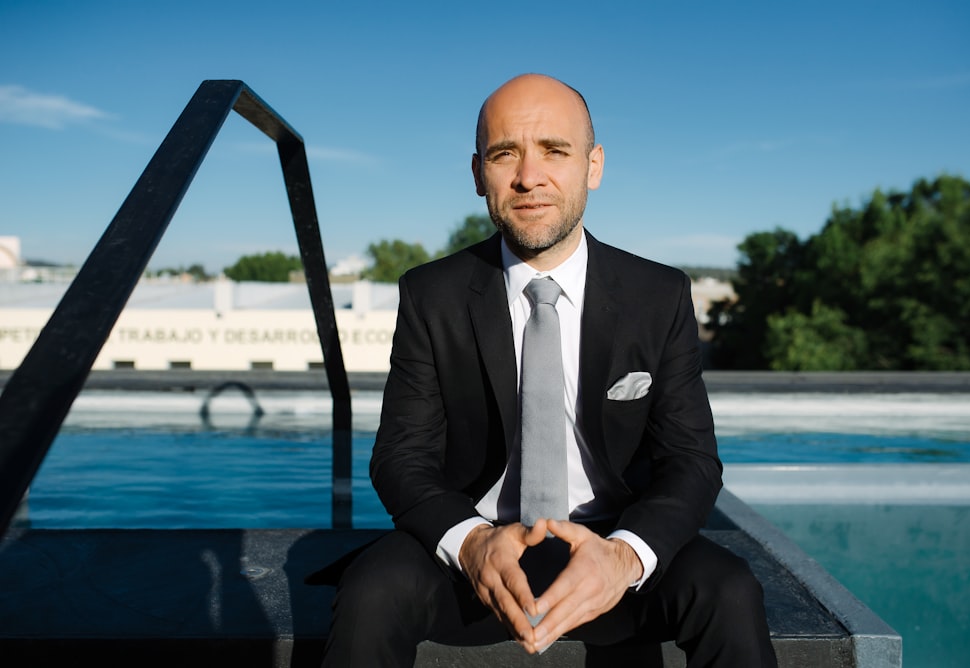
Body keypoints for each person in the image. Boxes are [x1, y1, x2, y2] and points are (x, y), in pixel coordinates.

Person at [318, 73, 777, 667]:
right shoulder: (432, 294)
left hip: (609, 546)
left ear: (594, 165)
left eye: (554, 151)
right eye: (505, 153)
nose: (528, 177)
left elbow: (691, 460)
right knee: (373, 587)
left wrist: (624, 556)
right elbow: (401, 459)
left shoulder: (657, 294)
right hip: (477, 553)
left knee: (729, 589)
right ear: (478, 171)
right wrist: (473, 544)